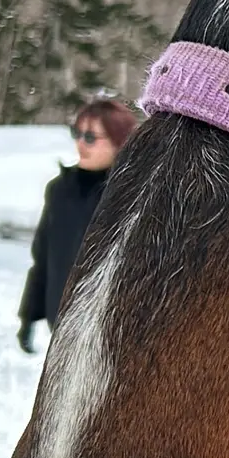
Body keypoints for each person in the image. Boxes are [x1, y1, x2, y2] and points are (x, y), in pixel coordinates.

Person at [18, 96, 140, 352]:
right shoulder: (60, 189)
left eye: (91, 137)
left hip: (112, 330)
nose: (80, 143)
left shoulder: (131, 194)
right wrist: (29, 316)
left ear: (120, 142)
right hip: (62, 322)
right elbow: (43, 257)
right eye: (77, 133)